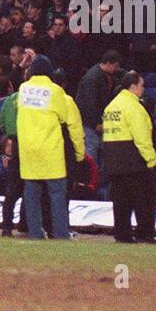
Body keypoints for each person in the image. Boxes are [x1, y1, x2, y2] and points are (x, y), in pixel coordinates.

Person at [17, 56, 84, 241]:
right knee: (56, 194)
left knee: (31, 194)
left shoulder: (23, 89)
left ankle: (35, 233)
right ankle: (61, 234)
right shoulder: (56, 92)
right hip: (50, 148)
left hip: (28, 149)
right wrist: (79, 153)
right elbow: (65, 119)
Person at [101, 70, 156, 243]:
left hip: (113, 157)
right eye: (142, 85)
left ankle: (122, 234)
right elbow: (142, 138)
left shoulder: (111, 106)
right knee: (144, 199)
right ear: (133, 86)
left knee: (120, 201)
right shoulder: (134, 107)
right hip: (133, 158)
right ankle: (144, 234)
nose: (144, 89)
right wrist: (151, 161)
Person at [76, 49, 121, 161]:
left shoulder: (106, 74)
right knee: (92, 148)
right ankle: (92, 176)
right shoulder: (91, 78)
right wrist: (96, 123)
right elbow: (89, 103)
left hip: (99, 121)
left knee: (100, 150)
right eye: (115, 66)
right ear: (109, 63)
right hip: (89, 123)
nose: (117, 69)